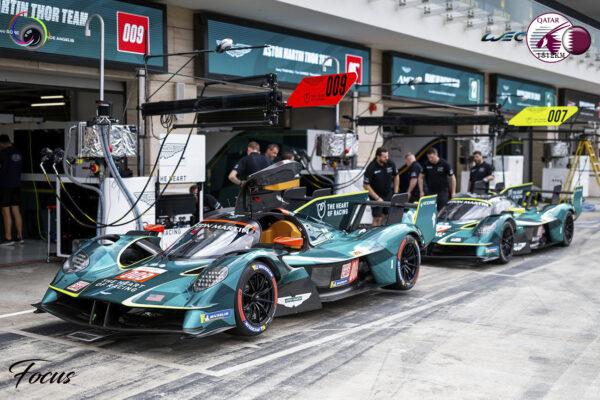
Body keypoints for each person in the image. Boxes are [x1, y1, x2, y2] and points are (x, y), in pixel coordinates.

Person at [363, 147, 399, 227]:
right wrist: (377, 198)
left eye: (387, 156)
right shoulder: (371, 167)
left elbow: (396, 176)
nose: (387, 158)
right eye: (384, 157)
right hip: (376, 195)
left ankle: (379, 231)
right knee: (377, 218)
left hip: (388, 193)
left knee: (385, 215)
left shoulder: (390, 163)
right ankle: (373, 237)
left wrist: (396, 192)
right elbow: (366, 185)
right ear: (378, 157)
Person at [0, 134, 24, 246]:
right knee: (16, 210)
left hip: (5, 185)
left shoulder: (3, 153)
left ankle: (8, 238)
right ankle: (19, 237)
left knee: (5, 211)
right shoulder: (18, 152)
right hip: (17, 185)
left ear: (1, 144)